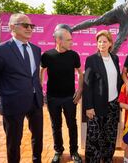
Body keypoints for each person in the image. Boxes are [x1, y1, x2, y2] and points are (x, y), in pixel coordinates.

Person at [0, 13, 44, 163]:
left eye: (31, 26)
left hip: (35, 101)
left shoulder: (36, 50)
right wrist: (6, 94)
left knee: (38, 137)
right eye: (25, 25)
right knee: (13, 142)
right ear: (12, 27)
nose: (29, 28)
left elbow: (33, 76)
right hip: (12, 104)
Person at [40, 24, 83, 163]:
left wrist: (80, 90)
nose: (72, 42)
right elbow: (41, 71)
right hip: (52, 98)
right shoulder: (47, 55)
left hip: (70, 98)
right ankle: (58, 151)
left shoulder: (73, 55)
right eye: (69, 40)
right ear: (59, 40)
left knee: (72, 124)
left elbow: (80, 73)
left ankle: (74, 151)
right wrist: (41, 90)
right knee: (55, 125)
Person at [83, 30, 123, 163]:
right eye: (99, 41)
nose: (101, 44)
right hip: (96, 105)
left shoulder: (115, 58)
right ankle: (93, 160)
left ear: (110, 43)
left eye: (105, 41)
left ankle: (107, 159)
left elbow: (117, 80)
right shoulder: (91, 60)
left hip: (113, 104)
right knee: (94, 136)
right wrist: (88, 107)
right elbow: (87, 85)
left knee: (110, 135)